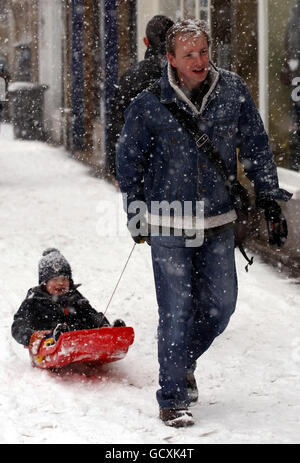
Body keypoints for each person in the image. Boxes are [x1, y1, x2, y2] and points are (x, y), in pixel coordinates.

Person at [116, 19, 292, 427]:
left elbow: (256, 144)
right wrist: (136, 212)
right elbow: (129, 162)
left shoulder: (232, 90)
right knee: (175, 310)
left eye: (203, 52)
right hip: (167, 221)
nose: (198, 61)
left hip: (217, 218)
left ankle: (183, 361)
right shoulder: (150, 101)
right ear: (171, 59)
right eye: (189, 54)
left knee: (221, 305)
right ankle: (172, 395)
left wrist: (268, 197)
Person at [105, 15, 174, 182]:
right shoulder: (188, 74)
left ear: (145, 41)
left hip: (146, 170)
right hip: (185, 169)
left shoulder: (131, 77)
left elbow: (117, 125)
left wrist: (117, 169)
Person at [12, 248, 125, 348]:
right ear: (44, 283)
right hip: (47, 343)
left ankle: (112, 334)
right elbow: (18, 325)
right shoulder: (34, 300)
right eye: (55, 279)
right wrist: (32, 335)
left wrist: (103, 325)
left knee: (87, 319)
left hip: (80, 340)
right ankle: (60, 338)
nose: (61, 283)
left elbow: (90, 314)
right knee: (57, 334)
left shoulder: (74, 296)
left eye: (64, 279)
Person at [281, 1, 300, 171]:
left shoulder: (294, 20)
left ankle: (295, 166)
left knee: (296, 125)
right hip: (297, 80)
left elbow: (289, 48)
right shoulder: (295, 20)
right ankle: (295, 167)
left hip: (296, 80)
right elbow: (290, 48)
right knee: (296, 124)